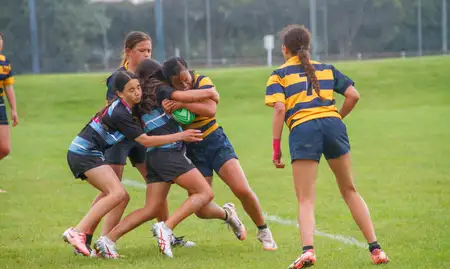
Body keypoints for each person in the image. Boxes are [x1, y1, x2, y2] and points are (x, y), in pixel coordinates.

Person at [264, 25, 389, 268]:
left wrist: (276, 147)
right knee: (349, 190)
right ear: (308, 47)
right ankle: (376, 249)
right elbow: (353, 95)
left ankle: (308, 251)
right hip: (333, 126)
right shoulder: (326, 69)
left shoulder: (278, 74)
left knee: (306, 198)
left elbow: (280, 109)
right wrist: (337, 118)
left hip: (303, 129)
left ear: (284, 49)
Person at [94, 59, 245, 259]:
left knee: (151, 208)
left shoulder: (139, 99)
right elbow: (182, 95)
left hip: (153, 156)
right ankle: (166, 227)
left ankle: (108, 240)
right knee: (204, 192)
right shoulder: (158, 89)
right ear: (154, 75)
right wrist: (211, 92)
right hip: (168, 153)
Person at [63, 71, 202, 256]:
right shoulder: (121, 113)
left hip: (87, 152)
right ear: (120, 93)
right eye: (131, 90)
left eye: (138, 88)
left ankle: (102, 242)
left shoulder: (126, 109)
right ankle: (77, 232)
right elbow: (145, 140)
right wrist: (181, 135)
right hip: (84, 153)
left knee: (120, 196)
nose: (137, 93)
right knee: (117, 193)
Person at [161, 56, 277, 250]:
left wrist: (182, 103)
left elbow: (210, 109)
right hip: (193, 148)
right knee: (201, 207)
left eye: (185, 79)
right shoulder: (167, 93)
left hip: (215, 141)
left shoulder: (202, 81)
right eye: (178, 83)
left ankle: (264, 231)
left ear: (189, 71)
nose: (184, 84)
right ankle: (228, 214)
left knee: (241, 189)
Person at [0, 32, 19, 193]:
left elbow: (8, 87)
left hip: (0, 106)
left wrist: (13, 109)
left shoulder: (4, 62)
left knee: (4, 148)